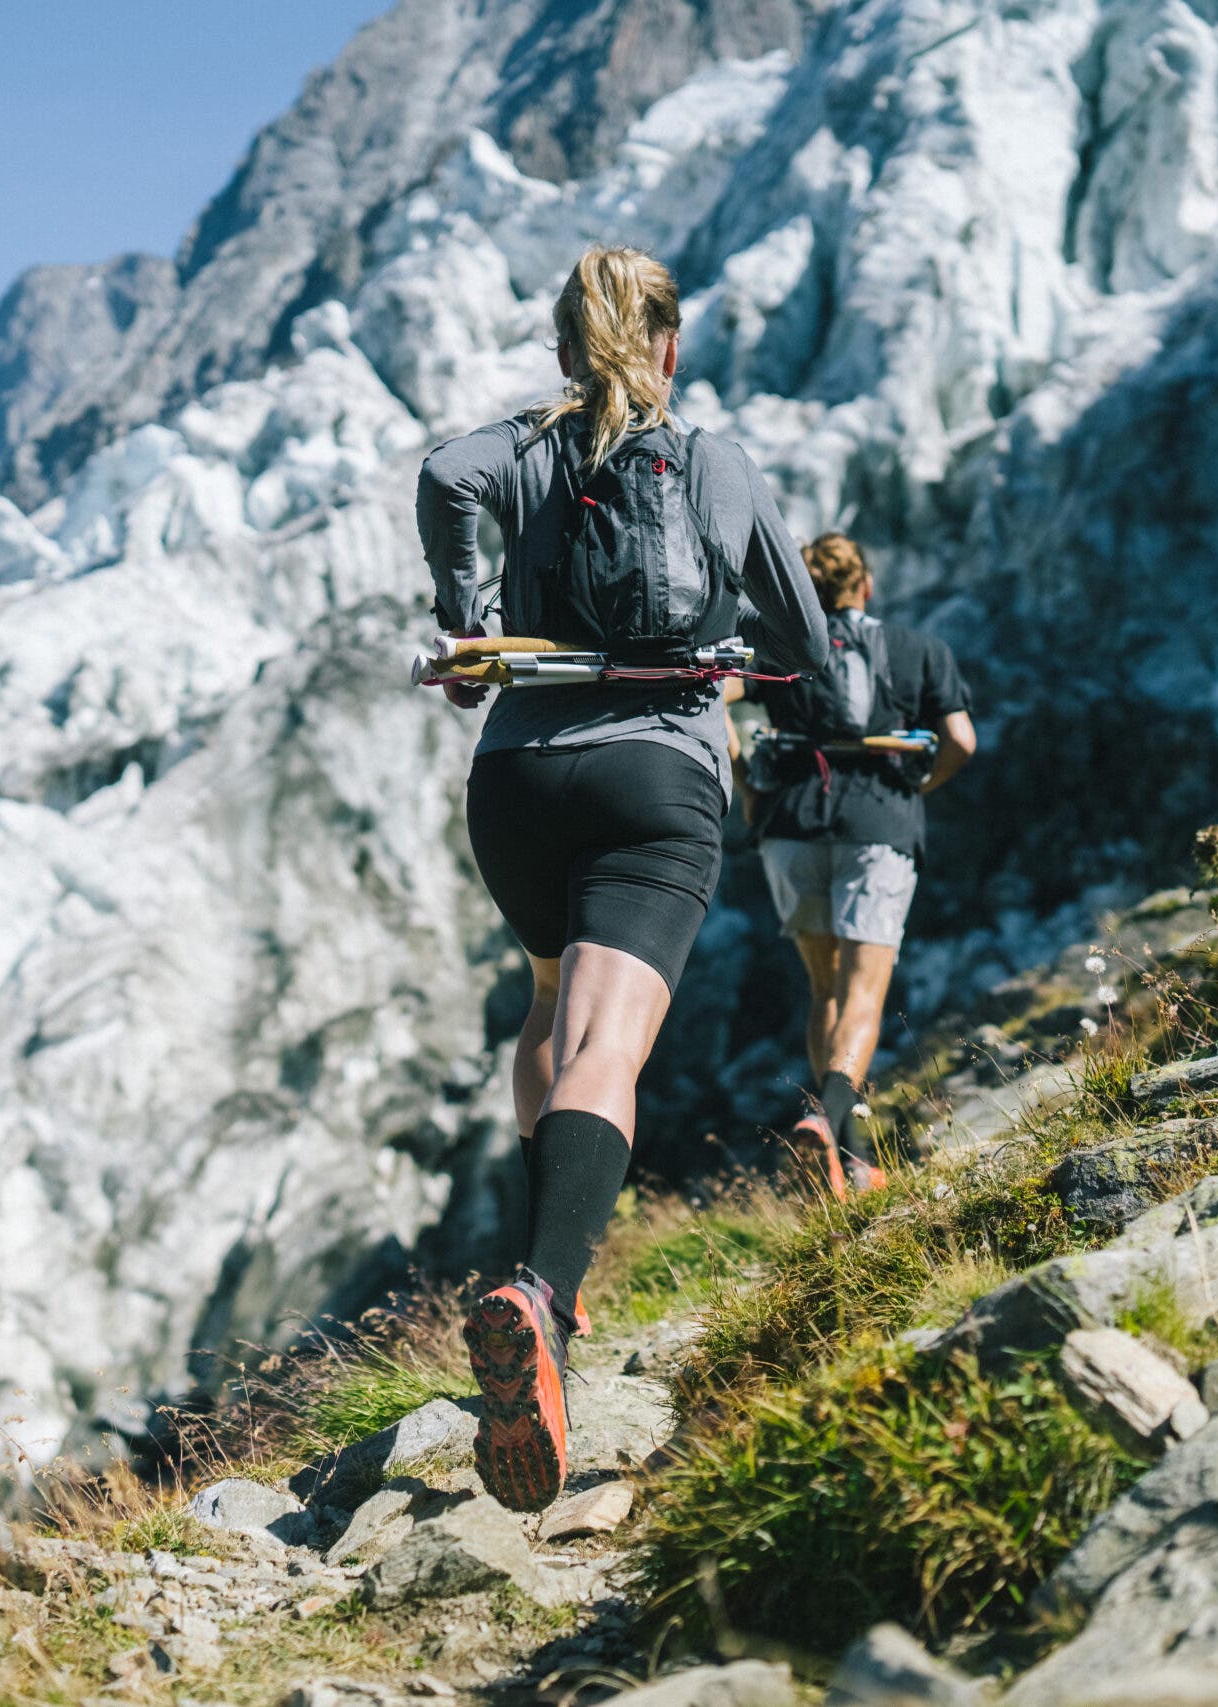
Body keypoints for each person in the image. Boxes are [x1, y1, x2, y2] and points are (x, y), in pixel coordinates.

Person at [416, 246, 825, 1511]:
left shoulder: (521, 450)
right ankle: (541, 1289)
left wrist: (469, 603)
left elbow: (441, 475)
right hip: (655, 779)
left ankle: (550, 1270)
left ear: (561, 349)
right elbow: (802, 640)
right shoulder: (712, 462)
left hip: (518, 781)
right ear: (667, 345)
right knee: (608, 1038)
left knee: (546, 1005)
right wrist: (743, 651)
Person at [747, 532, 975, 1196]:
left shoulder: (779, 649)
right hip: (879, 823)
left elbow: (716, 697)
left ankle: (851, 1159)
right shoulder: (919, 650)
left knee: (824, 991)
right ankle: (831, 1114)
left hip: (791, 826)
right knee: (864, 994)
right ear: (866, 585)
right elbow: (961, 738)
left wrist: (745, 776)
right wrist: (920, 786)